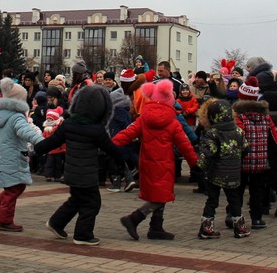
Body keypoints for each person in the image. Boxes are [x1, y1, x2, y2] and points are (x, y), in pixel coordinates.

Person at [34, 85, 125, 246]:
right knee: (92, 203)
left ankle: (56, 223)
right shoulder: (96, 130)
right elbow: (111, 149)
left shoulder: (68, 124)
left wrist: (35, 150)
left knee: (76, 199)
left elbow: (52, 142)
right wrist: (123, 161)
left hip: (71, 172)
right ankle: (83, 234)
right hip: (87, 174)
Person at [116, 80, 198, 241]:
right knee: (161, 196)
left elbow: (128, 133)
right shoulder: (173, 122)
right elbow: (185, 146)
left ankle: (156, 227)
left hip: (146, 162)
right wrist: (195, 163)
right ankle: (134, 218)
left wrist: (110, 145)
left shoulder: (143, 118)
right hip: (165, 163)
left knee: (159, 194)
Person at [0, 78, 45, 232]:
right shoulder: (16, 117)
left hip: (7, 155)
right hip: (14, 156)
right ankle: (4, 221)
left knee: (14, 186)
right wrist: (41, 141)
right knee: (14, 189)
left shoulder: (3, 115)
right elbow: (25, 131)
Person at [196, 99, 250, 239]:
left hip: (215, 174)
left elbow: (209, 153)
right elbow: (245, 148)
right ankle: (240, 228)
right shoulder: (238, 131)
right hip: (233, 173)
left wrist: (200, 166)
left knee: (212, 200)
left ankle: (207, 228)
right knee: (234, 200)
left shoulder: (212, 133)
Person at [232, 77, 277, 229]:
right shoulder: (266, 116)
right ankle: (257, 218)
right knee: (256, 190)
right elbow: (275, 137)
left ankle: (234, 216)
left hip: (242, 159)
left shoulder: (239, 116)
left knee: (238, 190)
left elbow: (239, 136)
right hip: (260, 159)